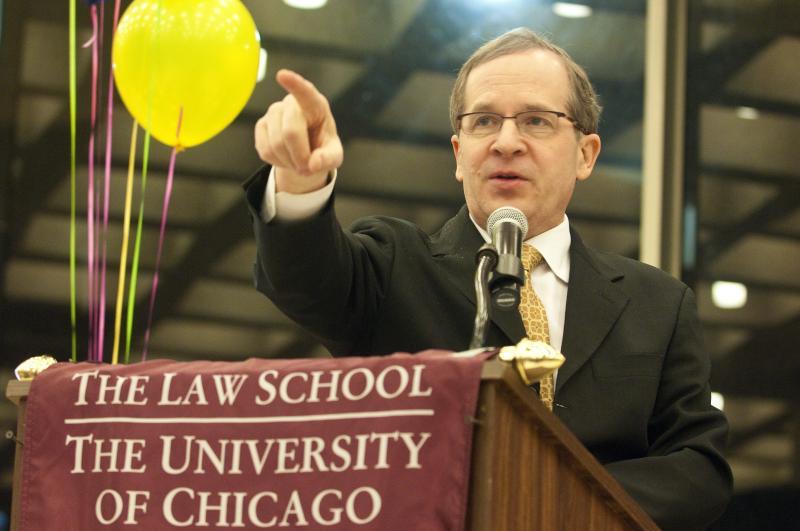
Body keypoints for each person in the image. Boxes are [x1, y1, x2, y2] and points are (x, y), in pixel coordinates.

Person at [243, 27, 732, 530]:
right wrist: (299, 184)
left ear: (585, 154)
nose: (506, 143)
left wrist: (557, 500)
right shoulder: (394, 267)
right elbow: (305, 280)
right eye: (484, 121)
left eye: (536, 121)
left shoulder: (658, 304)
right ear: (459, 152)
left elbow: (699, 467)